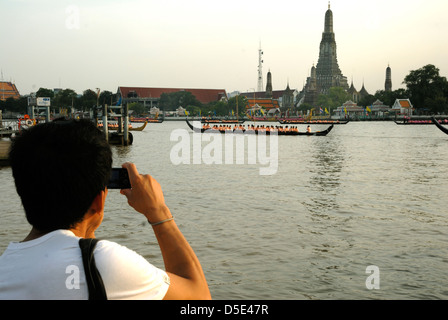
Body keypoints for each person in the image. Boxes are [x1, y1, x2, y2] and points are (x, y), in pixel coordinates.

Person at [0, 118, 211, 300]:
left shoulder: (5, 270)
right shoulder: (101, 263)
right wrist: (158, 211)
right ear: (98, 201)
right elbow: (199, 296)